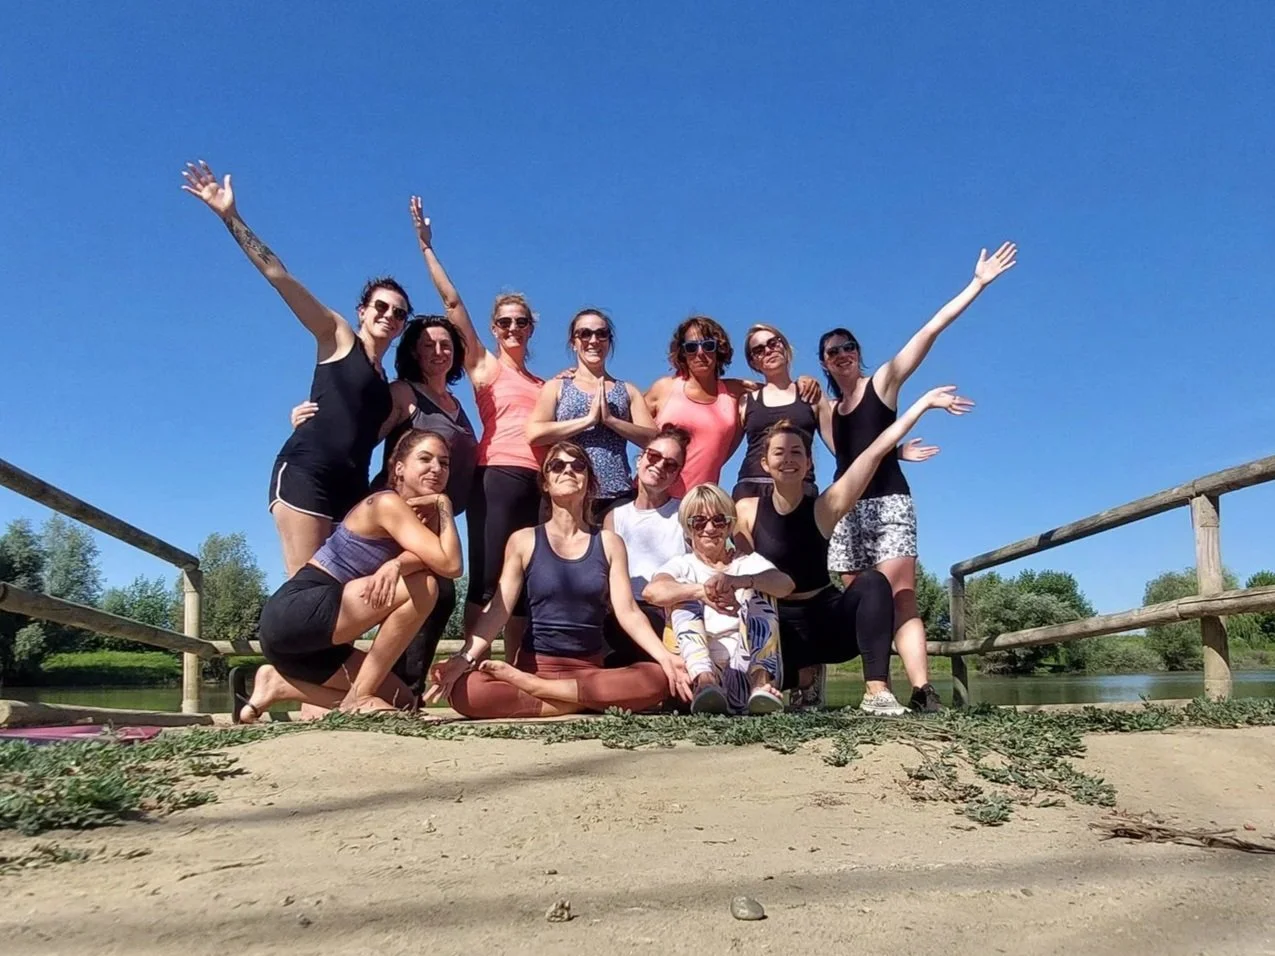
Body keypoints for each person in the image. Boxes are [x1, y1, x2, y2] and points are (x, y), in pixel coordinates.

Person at [181, 160, 411, 576]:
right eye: (381, 306)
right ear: (363, 310)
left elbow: (366, 434)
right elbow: (278, 276)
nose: (389, 316)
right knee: (306, 598)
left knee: (342, 595)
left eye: (399, 313)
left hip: (352, 489)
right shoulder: (337, 335)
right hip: (308, 473)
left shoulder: (386, 386)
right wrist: (231, 217)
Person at [816, 242, 1015, 712]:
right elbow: (848, 457)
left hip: (889, 505)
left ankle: (923, 690)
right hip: (848, 514)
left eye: (848, 347)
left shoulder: (882, 382)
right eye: (832, 351)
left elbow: (930, 331)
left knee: (901, 595)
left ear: (859, 353)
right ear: (824, 362)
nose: (842, 354)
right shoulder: (828, 409)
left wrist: (977, 284)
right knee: (866, 603)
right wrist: (897, 451)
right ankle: (876, 689)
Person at [738, 387, 973, 715]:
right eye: (779, 453)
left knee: (874, 581)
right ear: (765, 462)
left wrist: (923, 404)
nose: (788, 459)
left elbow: (874, 451)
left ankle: (876, 692)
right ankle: (799, 678)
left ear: (808, 464)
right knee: (750, 605)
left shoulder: (825, 507)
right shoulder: (746, 510)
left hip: (827, 624)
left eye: (796, 452)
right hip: (779, 632)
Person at [426, 442, 693, 718]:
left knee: (657, 677)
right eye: (557, 465)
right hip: (537, 665)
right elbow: (499, 610)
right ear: (546, 482)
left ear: (588, 481)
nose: (568, 470)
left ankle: (540, 693)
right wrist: (463, 658)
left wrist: (665, 657)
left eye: (578, 466)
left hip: (588, 672)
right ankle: (577, 701)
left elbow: (628, 612)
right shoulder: (524, 541)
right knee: (465, 690)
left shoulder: (609, 543)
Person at [290, 314, 478, 694]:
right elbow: (359, 436)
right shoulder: (405, 393)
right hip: (397, 518)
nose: (438, 352)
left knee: (441, 594)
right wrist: (308, 424)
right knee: (428, 591)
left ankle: (402, 691)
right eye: (428, 345)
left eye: (445, 345)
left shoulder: (457, 405)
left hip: (433, 522)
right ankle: (392, 690)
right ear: (414, 353)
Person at [234, 431, 463, 722]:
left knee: (402, 701)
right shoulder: (386, 503)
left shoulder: (421, 520)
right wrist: (445, 504)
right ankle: (361, 696)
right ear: (400, 468)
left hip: (319, 647)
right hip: (297, 613)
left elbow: (439, 562)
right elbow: (450, 564)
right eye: (425, 458)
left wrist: (398, 564)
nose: (437, 468)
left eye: (444, 463)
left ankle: (278, 685)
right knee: (424, 587)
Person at [409, 197, 544, 660]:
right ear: (493, 327)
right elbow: (452, 303)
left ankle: (519, 669)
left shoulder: (545, 383)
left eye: (520, 322)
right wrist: (427, 248)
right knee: (488, 574)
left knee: (526, 578)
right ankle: (472, 667)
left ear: (531, 328)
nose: (512, 328)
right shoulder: (485, 367)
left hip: (540, 481)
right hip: (499, 476)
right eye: (504, 322)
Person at [733, 324, 936, 501]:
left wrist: (893, 454)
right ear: (753, 362)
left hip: (800, 492)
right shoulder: (745, 401)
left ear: (784, 346)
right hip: (752, 489)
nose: (768, 350)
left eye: (773, 342)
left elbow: (844, 451)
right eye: (758, 350)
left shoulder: (811, 394)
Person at [644, 485, 795, 715]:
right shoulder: (682, 565)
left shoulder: (748, 563)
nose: (710, 528)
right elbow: (652, 592)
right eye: (699, 522)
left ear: (730, 525)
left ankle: (761, 685)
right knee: (682, 597)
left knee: (762, 591)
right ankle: (705, 683)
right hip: (695, 673)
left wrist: (740, 581)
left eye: (719, 520)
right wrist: (699, 592)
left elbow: (785, 585)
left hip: (744, 669)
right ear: (687, 527)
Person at [527, 309, 658, 519]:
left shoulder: (627, 390)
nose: (593, 340)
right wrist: (587, 420)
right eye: (585, 333)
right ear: (573, 341)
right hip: (566, 495)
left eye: (601, 334)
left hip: (615, 497)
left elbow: (654, 440)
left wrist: (611, 421)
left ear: (609, 340)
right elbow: (534, 433)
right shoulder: (556, 386)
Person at [601, 424, 692, 666]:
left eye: (671, 464)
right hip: (625, 614)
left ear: (677, 473)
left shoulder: (685, 513)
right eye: (654, 456)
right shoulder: (615, 517)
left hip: (672, 614)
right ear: (641, 457)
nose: (660, 466)